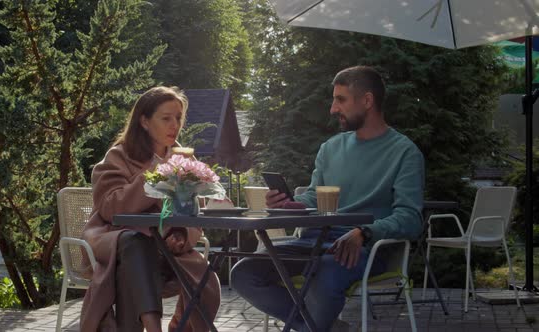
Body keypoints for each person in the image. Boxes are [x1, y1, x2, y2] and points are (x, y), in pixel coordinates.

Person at [231, 66, 424, 332]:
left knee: (325, 271)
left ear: (367, 101)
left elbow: (411, 219)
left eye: (341, 99)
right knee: (244, 272)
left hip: (364, 248)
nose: (333, 109)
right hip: (312, 242)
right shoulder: (330, 148)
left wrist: (365, 232)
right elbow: (314, 196)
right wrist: (290, 204)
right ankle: (324, 327)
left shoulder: (405, 153)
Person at [80, 86, 221, 332]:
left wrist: (182, 236)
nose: (174, 125)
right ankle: (153, 328)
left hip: (164, 251)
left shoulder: (185, 162)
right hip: (116, 243)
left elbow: (194, 216)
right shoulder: (118, 156)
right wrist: (154, 175)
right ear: (144, 122)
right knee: (136, 243)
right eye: (166, 118)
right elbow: (110, 208)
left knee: (130, 274)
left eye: (178, 118)